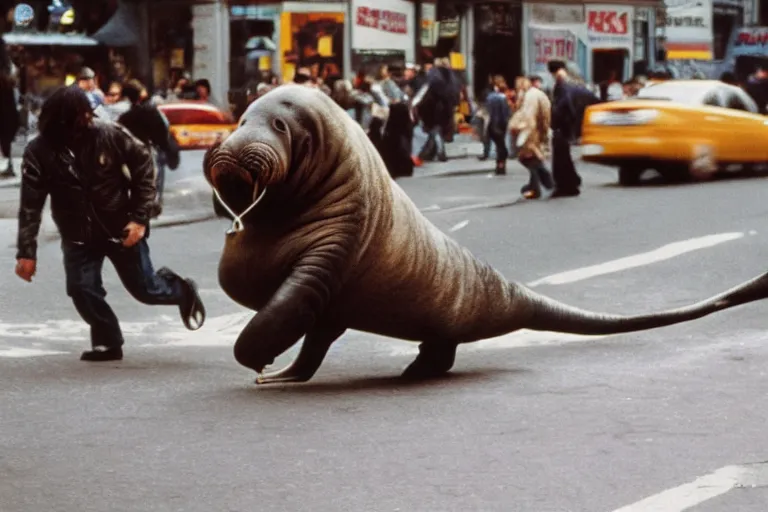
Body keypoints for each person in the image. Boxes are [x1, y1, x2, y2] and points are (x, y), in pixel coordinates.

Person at [14, 86, 205, 362]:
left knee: (147, 289)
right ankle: (107, 340)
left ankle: (182, 290)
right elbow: (30, 204)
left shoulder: (108, 134)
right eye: (79, 117)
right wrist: (26, 252)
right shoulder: (39, 151)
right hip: (77, 233)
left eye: (87, 115)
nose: (86, 121)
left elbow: (144, 167)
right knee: (81, 289)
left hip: (120, 227)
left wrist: (139, 218)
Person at [115, 81, 180, 218]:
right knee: (152, 180)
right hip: (148, 152)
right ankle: (151, 206)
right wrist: (166, 149)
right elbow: (162, 133)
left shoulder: (123, 117)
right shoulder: (149, 111)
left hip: (128, 155)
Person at [548, 60, 599, 197]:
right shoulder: (573, 83)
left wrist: (558, 119)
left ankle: (566, 185)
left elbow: (565, 104)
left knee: (560, 157)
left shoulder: (563, 85)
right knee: (564, 156)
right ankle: (572, 181)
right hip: (567, 125)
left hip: (563, 126)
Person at [509, 76, 554, 199]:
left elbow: (528, 116)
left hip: (529, 131)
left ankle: (543, 183)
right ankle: (535, 185)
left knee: (529, 159)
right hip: (536, 131)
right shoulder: (537, 94)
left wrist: (520, 128)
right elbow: (545, 115)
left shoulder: (529, 96)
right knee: (532, 159)